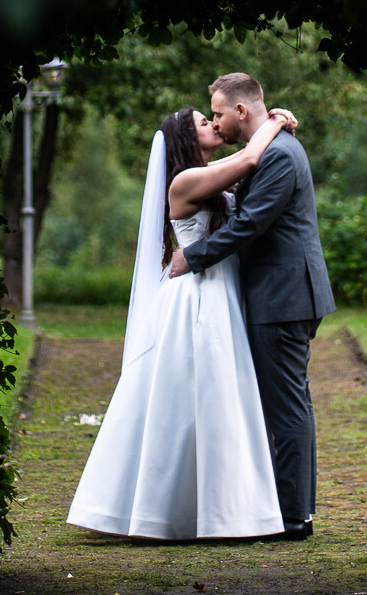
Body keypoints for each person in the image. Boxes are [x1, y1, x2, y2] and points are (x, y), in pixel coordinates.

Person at [66, 102, 297, 541]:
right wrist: (277, 121)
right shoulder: (185, 181)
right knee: (196, 396)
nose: (213, 124)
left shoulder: (208, 175)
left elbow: (245, 166)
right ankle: (176, 512)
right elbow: (250, 157)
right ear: (188, 139)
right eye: (204, 123)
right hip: (198, 296)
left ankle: (225, 509)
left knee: (220, 396)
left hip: (221, 290)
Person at [167, 72, 336, 541]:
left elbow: (249, 225)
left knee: (287, 406)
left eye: (218, 114)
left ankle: (294, 516)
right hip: (278, 293)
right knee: (284, 402)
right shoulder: (271, 149)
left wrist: (192, 257)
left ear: (241, 111)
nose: (216, 123)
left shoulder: (278, 154)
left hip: (283, 296)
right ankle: (287, 509)